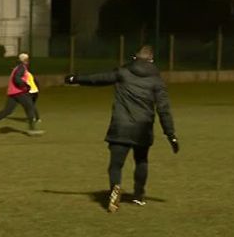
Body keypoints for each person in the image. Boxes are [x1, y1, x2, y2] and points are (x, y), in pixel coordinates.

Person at [65, 45, 179, 212]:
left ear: (135, 58)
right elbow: (163, 109)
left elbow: (99, 78)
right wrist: (171, 135)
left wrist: (76, 79)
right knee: (141, 161)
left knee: (116, 165)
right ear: (152, 60)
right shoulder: (157, 80)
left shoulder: (123, 72)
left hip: (121, 126)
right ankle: (139, 196)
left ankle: (115, 189)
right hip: (143, 127)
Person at [0, 53, 42, 136]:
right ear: (25, 60)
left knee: (7, 111)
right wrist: (25, 85)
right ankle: (32, 129)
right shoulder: (21, 68)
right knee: (30, 107)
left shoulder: (17, 67)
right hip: (19, 92)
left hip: (12, 93)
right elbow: (17, 78)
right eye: (27, 60)